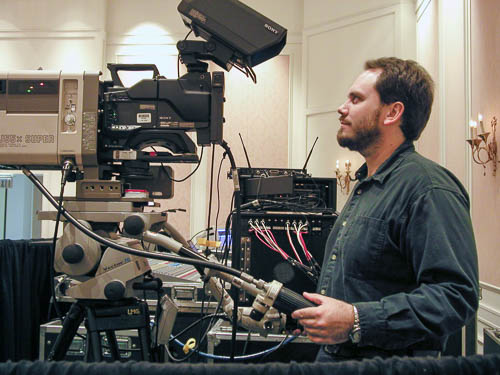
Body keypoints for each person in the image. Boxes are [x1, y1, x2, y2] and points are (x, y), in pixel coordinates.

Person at [291, 57, 479, 361]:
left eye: (356, 99)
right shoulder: (366, 184)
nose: (342, 108)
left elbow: (456, 296)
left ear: (393, 112)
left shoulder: (428, 188)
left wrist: (356, 320)